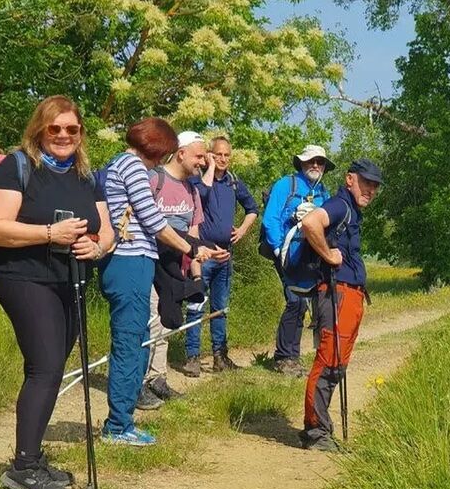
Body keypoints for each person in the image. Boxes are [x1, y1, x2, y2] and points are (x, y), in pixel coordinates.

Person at [0, 94, 115, 489]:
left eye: (71, 129)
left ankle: (32, 456)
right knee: (44, 365)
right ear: (39, 129)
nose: (63, 135)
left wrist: (98, 248)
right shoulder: (16, 167)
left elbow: (106, 228)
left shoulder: (84, 174)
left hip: (70, 279)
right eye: (54, 128)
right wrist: (48, 235)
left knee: (54, 367)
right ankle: (23, 466)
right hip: (24, 278)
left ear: (81, 133)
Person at [97, 119, 205, 445]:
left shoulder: (129, 166)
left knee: (140, 338)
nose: (164, 157)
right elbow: (153, 219)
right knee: (130, 342)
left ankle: (124, 420)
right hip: (127, 261)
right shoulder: (131, 165)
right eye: (165, 149)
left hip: (137, 262)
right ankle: (117, 426)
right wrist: (193, 248)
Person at [298, 158, 383, 452]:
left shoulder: (351, 211)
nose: (370, 189)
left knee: (337, 364)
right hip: (338, 294)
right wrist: (328, 254)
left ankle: (319, 429)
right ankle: (316, 432)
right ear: (349, 179)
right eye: (365, 182)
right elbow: (310, 223)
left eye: (374, 185)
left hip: (348, 295)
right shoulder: (341, 205)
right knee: (329, 362)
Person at [138, 130, 215, 404]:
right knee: (149, 321)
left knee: (167, 320)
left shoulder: (192, 190)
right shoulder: (154, 180)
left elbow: (193, 234)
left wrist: (196, 276)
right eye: (198, 156)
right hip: (147, 261)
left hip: (175, 267)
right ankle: (138, 384)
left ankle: (158, 378)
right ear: (180, 153)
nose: (203, 162)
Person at [185, 135, 259, 374]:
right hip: (204, 255)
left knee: (220, 308)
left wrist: (244, 229)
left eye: (227, 155)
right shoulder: (197, 179)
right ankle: (192, 356)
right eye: (218, 154)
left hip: (225, 255)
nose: (223, 159)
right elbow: (202, 196)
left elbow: (252, 208)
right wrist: (210, 168)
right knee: (196, 304)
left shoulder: (233, 182)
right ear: (209, 154)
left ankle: (220, 356)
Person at [260, 144, 333, 377]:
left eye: (320, 162)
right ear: (301, 163)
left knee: (310, 303)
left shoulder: (324, 192)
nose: (315, 165)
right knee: (295, 301)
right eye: (310, 161)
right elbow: (270, 219)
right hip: (287, 254)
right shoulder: (286, 185)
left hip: (312, 256)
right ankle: (284, 357)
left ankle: (294, 355)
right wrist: (279, 249)